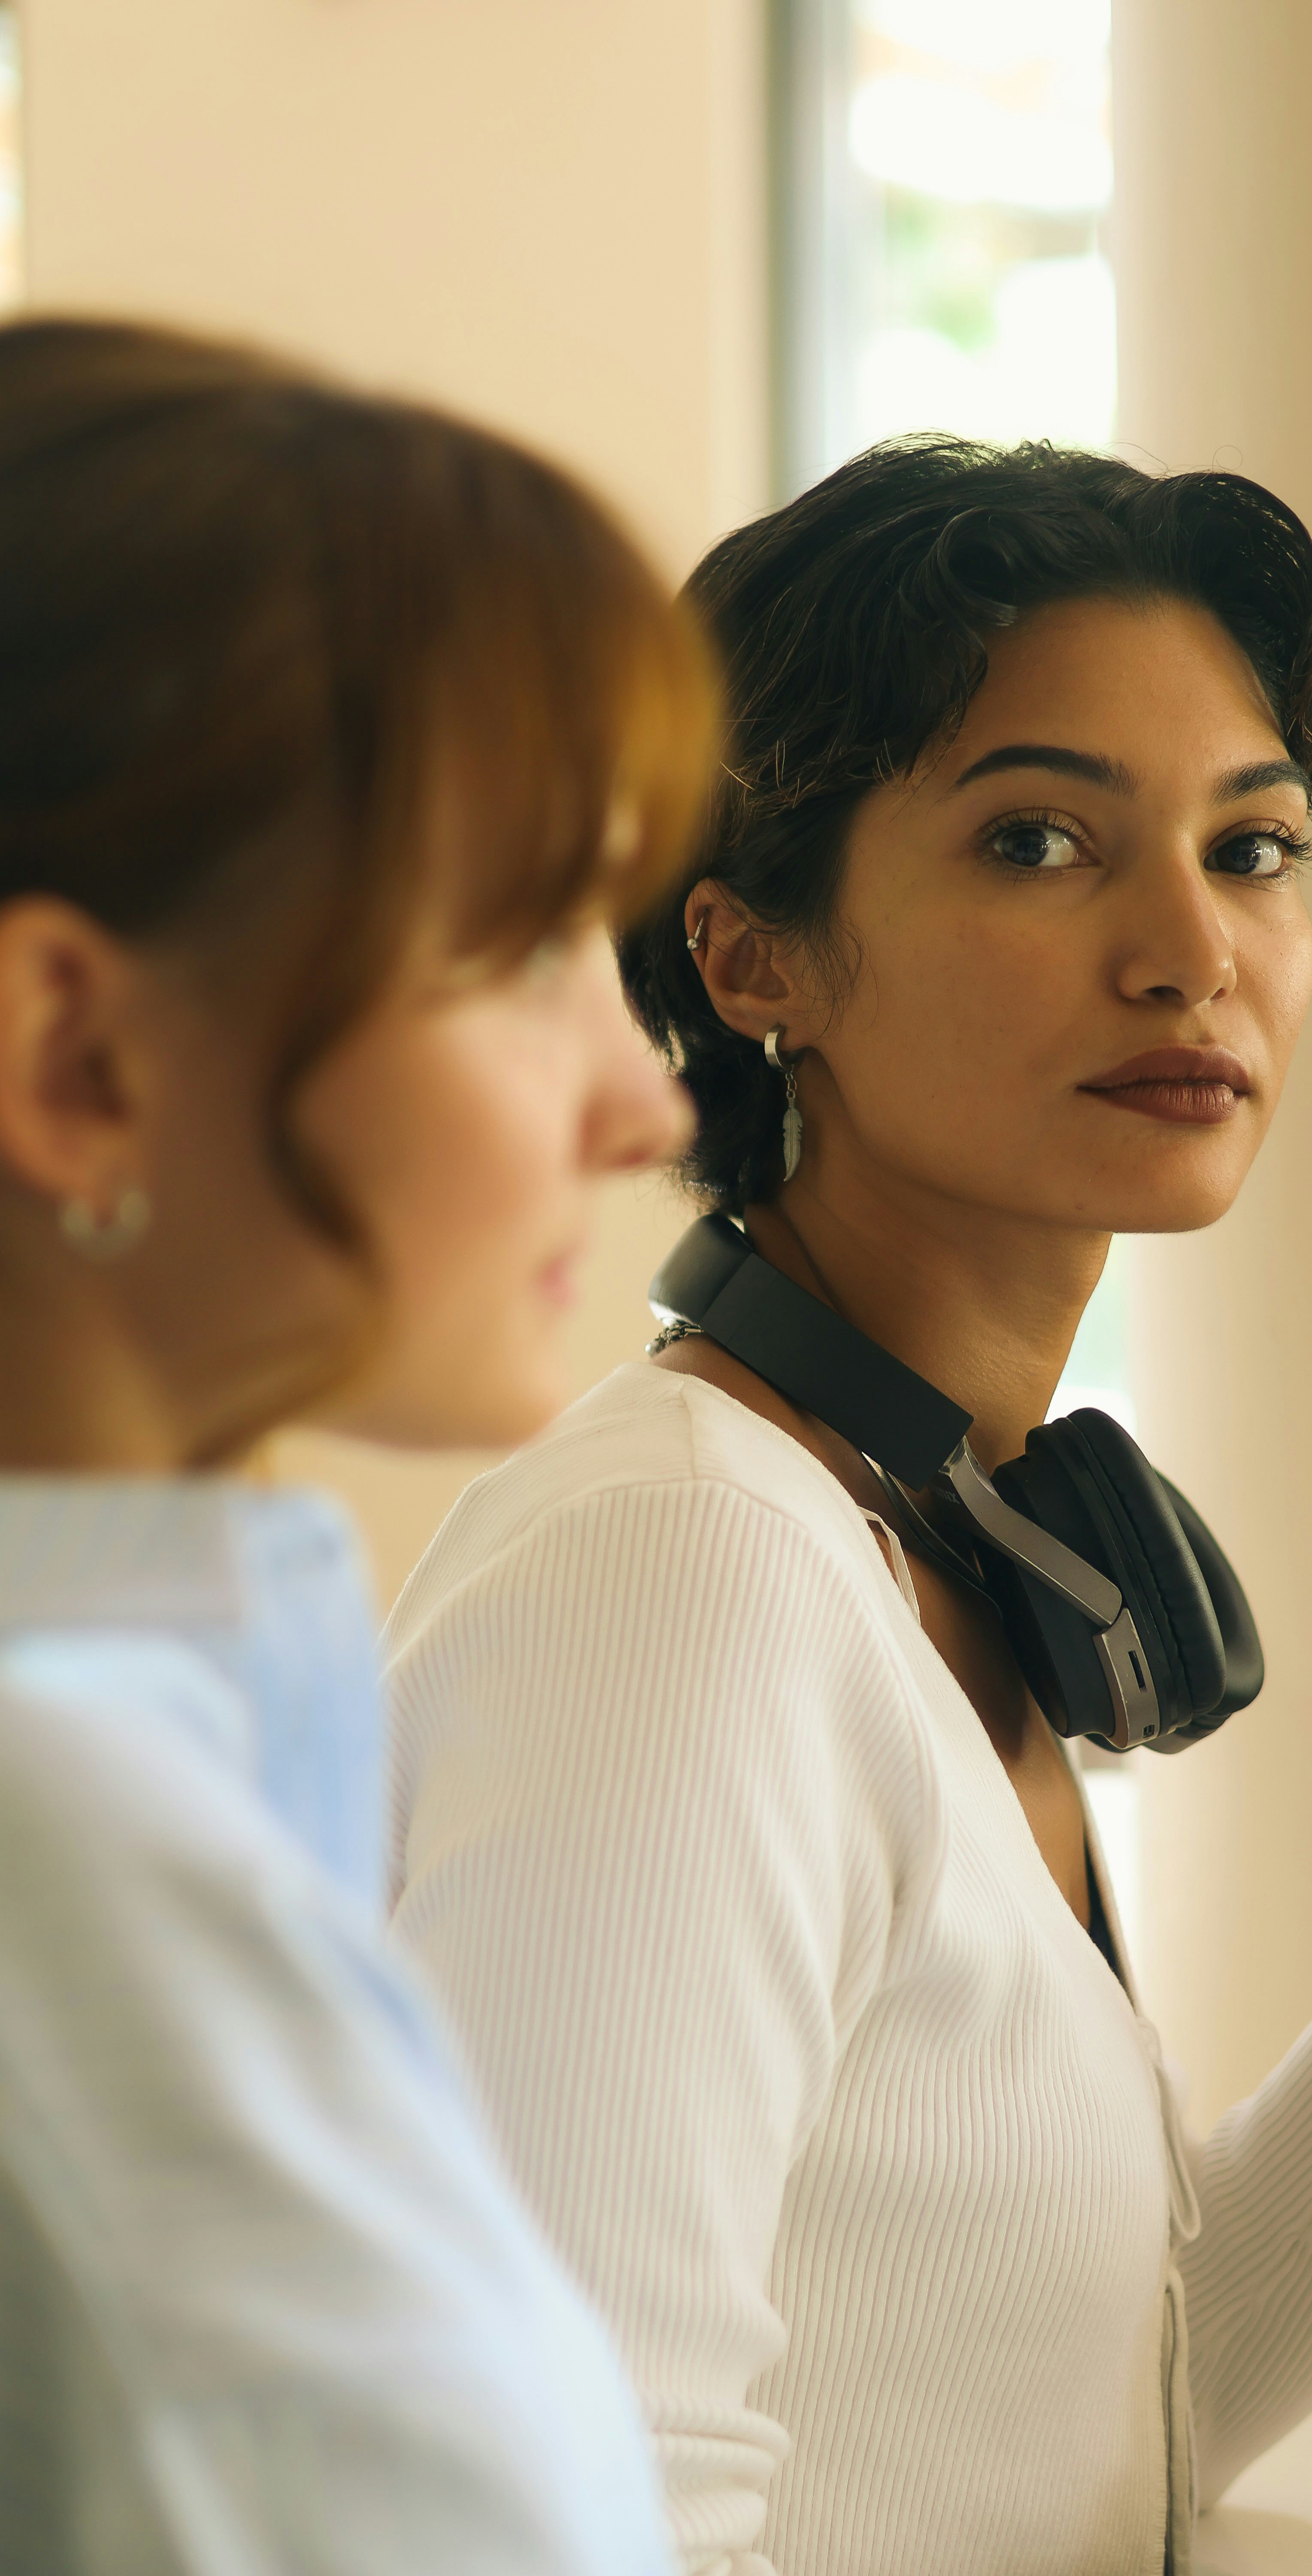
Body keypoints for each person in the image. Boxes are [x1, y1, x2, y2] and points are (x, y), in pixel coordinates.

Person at [385, 438, 1312, 2575]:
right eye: (1037, 840)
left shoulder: (923, 1542)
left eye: (1255, 846)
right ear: (753, 962)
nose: (1194, 949)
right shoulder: (684, 1581)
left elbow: (1104, 2424)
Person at [0, 316, 709, 2574]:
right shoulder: (59, 1848)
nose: (645, 1105)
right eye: (520, 956)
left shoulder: (170, 1748)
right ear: (73, 1060)